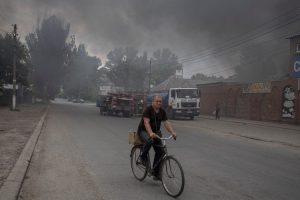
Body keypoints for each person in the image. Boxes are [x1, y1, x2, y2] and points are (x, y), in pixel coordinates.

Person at [137, 95, 177, 180]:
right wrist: (150, 133)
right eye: (157, 101)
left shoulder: (162, 111)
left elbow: (166, 123)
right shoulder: (148, 110)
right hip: (143, 131)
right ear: (153, 102)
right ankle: (143, 157)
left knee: (161, 151)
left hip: (156, 133)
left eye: (160, 101)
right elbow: (146, 123)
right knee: (150, 141)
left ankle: (155, 172)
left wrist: (172, 132)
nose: (159, 103)